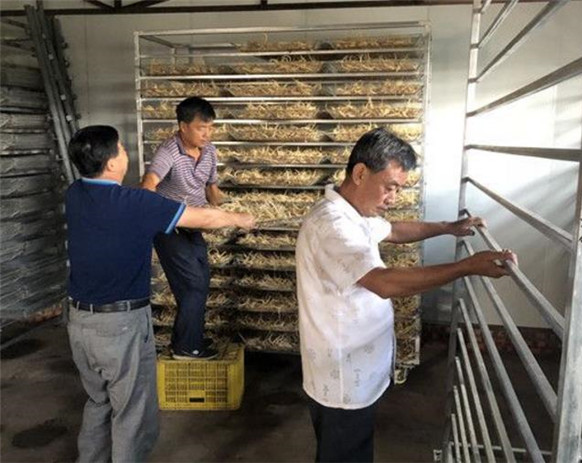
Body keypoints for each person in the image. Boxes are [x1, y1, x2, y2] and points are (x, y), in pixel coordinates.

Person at [295, 127, 517, 463]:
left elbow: (395, 230)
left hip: (355, 369)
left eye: (398, 189)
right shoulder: (333, 226)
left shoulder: (353, 214)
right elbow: (383, 282)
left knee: (351, 451)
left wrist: (448, 227)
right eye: (389, 187)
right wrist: (466, 267)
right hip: (342, 379)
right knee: (344, 454)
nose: (393, 198)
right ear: (360, 173)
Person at [65, 125, 254, 462]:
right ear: (111, 163)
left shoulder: (75, 193)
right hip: (119, 324)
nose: (126, 153)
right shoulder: (135, 202)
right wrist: (238, 218)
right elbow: (200, 218)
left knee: (98, 401)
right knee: (132, 411)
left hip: (79, 321)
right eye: (122, 148)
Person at [141, 96, 226, 359]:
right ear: (183, 126)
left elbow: (212, 190)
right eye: (201, 128)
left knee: (200, 280)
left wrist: (227, 212)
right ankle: (187, 347)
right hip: (170, 228)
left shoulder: (209, 151)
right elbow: (148, 184)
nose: (207, 134)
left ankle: (189, 340)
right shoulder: (169, 151)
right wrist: (151, 212)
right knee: (193, 283)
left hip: (194, 225)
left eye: (210, 127)